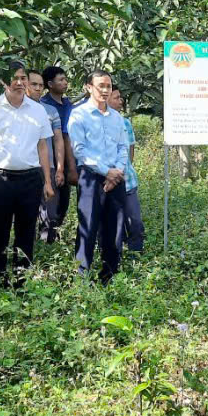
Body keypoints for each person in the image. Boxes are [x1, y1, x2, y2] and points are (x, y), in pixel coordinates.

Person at [0, 61, 54, 287]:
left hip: (30, 179)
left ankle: (22, 281)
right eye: (14, 78)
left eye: (22, 78)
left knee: (26, 232)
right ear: (3, 81)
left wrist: (47, 181)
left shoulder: (37, 110)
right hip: (0, 179)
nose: (19, 83)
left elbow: (42, 148)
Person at [70, 71, 129, 283]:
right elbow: (80, 150)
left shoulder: (117, 117)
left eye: (108, 86)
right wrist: (106, 172)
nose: (105, 90)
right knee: (88, 227)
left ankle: (109, 277)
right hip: (91, 179)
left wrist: (117, 172)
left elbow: (123, 147)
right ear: (88, 87)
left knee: (115, 229)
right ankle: (82, 279)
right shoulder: (79, 115)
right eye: (100, 86)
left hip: (116, 179)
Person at [26, 69, 65, 243]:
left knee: (50, 211)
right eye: (34, 84)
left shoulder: (50, 111)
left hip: (47, 166)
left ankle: (48, 246)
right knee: (27, 211)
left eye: (41, 85)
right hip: (25, 167)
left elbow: (58, 140)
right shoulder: (15, 109)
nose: (38, 88)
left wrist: (60, 168)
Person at [41, 66, 79, 230]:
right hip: (50, 156)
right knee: (50, 200)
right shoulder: (44, 105)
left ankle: (55, 232)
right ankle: (46, 235)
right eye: (61, 80)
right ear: (50, 84)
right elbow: (60, 136)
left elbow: (68, 135)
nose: (65, 83)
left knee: (64, 199)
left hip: (67, 154)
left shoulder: (67, 104)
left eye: (65, 79)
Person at [108, 85, 145, 252]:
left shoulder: (125, 123)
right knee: (114, 223)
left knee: (135, 221)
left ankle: (136, 253)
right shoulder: (95, 122)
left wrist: (122, 170)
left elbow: (130, 153)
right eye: (116, 97)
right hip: (108, 181)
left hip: (128, 181)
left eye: (120, 97)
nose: (120, 100)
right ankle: (116, 255)